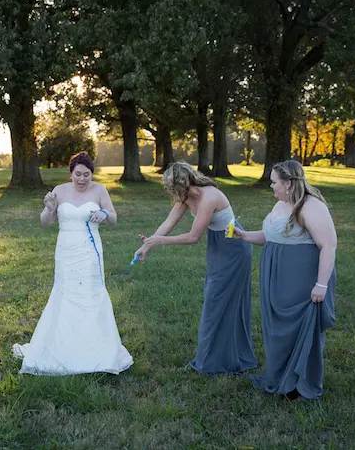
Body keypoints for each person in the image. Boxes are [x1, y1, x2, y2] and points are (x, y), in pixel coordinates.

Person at [13, 152, 133, 375]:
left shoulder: (99, 190)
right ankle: (62, 346)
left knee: (90, 294)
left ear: (92, 174)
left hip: (89, 251)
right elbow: (45, 223)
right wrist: (49, 208)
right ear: (70, 174)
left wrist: (104, 212)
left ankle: (96, 349)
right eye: (77, 174)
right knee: (65, 293)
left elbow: (114, 219)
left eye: (86, 175)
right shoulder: (59, 191)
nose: (82, 179)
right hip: (66, 250)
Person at [135, 161, 257, 376]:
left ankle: (215, 360)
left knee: (218, 301)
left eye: (179, 187)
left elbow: (193, 237)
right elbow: (168, 222)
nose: (179, 193)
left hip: (234, 248)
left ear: (186, 181)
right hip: (218, 246)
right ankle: (219, 356)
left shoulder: (209, 196)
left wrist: (161, 241)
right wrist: (146, 246)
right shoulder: (186, 197)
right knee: (217, 299)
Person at [234, 160, 336, 400]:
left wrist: (321, 285)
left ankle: (301, 384)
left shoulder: (311, 206)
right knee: (277, 328)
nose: (271, 187)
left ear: (288, 183)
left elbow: (329, 246)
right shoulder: (280, 204)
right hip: (275, 278)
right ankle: (280, 376)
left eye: (274, 182)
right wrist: (245, 235)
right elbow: (271, 237)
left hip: (300, 276)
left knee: (299, 327)